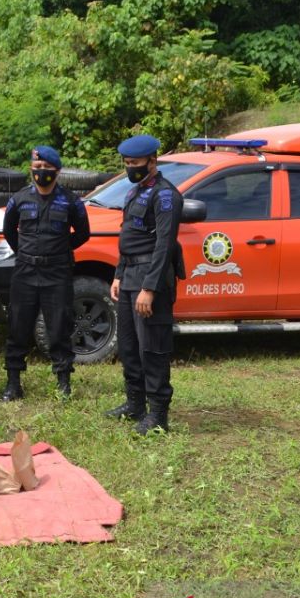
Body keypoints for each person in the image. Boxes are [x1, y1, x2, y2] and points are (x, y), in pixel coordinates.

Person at [104, 134, 184, 434]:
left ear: (153, 161)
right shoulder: (136, 192)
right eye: (126, 163)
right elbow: (130, 239)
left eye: (135, 163)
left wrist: (148, 289)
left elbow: (163, 245)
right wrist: (118, 274)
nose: (130, 168)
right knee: (129, 345)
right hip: (129, 278)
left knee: (153, 348)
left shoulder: (166, 196)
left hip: (151, 279)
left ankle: (158, 415)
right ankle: (134, 403)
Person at [0, 145, 90, 401]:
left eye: (47, 168)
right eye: (37, 168)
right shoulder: (19, 199)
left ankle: (63, 383)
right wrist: (27, 253)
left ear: (57, 171)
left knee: (59, 327)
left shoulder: (71, 201)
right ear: (31, 169)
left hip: (58, 271)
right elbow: (9, 233)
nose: (41, 172)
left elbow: (83, 234)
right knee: (18, 326)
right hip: (25, 270)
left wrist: (60, 249)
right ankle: (13, 384)